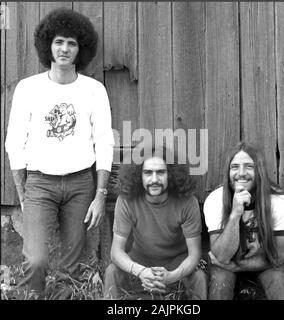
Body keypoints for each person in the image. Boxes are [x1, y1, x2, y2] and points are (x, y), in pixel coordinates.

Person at [5, 8, 115, 299]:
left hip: (81, 184)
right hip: (39, 183)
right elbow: (14, 143)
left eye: (72, 43)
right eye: (58, 41)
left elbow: (104, 141)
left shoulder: (94, 90)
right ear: (47, 45)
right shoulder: (28, 89)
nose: (64, 48)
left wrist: (100, 195)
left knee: (72, 266)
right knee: (37, 259)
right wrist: (22, 195)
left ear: (82, 49)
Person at [103, 145, 207, 300]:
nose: (154, 179)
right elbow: (116, 252)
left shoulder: (187, 202)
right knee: (112, 272)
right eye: (147, 173)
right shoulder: (126, 200)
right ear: (139, 175)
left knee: (199, 277)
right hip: (140, 261)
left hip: (176, 263)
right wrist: (140, 271)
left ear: (170, 174)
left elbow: (194, 254)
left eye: (161, 172)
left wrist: (171, 276)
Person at [203, 141, 284, 300]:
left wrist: (237, 266)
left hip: (264, 262)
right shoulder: (215, 199)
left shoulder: (280, 201)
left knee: (278, 283)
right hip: (226, 263)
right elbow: (221, 256)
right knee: (220, 283)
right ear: (228, 172)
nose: (241, 173)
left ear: (259, 170)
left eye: (249, 166)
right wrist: (236, 213)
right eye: (234, 167)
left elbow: (278, 257)